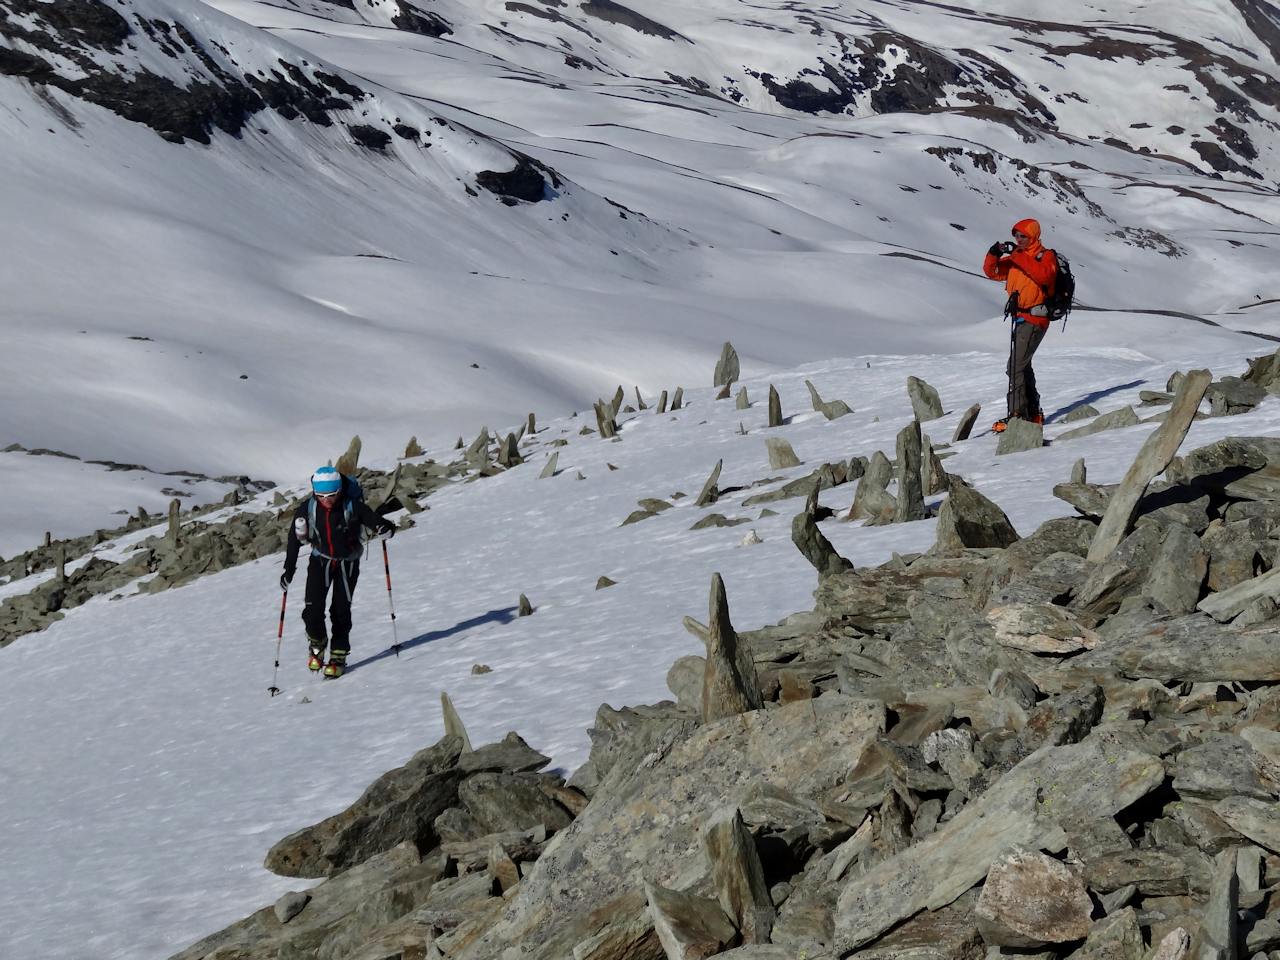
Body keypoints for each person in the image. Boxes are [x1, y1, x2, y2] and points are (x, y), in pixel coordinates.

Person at [280, 465, 395, 678]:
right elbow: (293, 540)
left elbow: (374, 521)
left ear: (340, 491)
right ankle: (318, 643)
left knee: (340, 610)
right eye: (321, 495)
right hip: (320, 561)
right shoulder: (308, 508)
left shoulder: (352, 505)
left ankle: (338, 656)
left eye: (331, 495)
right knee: (312, 610)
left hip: (347, 563)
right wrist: (289, 570)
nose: (326, 500)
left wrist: (386, 528)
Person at [983, 218, 1058, 433]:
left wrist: (1016, 254)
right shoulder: (1019, 258)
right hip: (1021, 318)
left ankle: (1016, 416)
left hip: (1035, 318)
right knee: (1022, 366)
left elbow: (1044, 275)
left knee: (1014, 367)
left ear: (1033, 236)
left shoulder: (1045, 256)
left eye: (1022, 236)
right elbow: (993, 272)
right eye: (1016, 235)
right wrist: (993, 254)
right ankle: (1033, 414)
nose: (1018, 239)